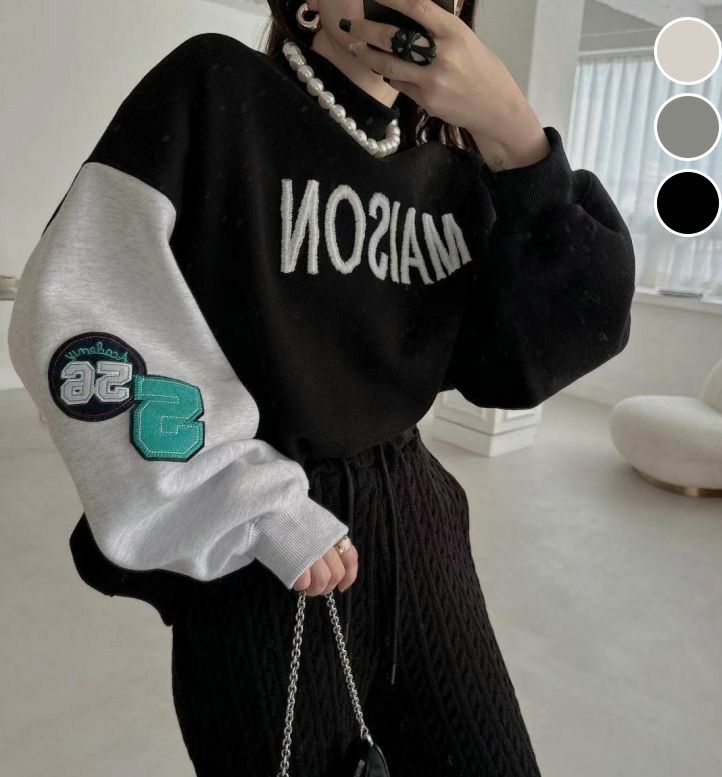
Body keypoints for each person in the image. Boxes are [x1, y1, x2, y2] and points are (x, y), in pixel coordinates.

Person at [7, 0, 635, 773]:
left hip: (423, 520)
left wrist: (515, 133)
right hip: (271, 545)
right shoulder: (217, 86)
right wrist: (244, 500)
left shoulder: (450, 168)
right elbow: (77, 301)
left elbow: (540, 353)